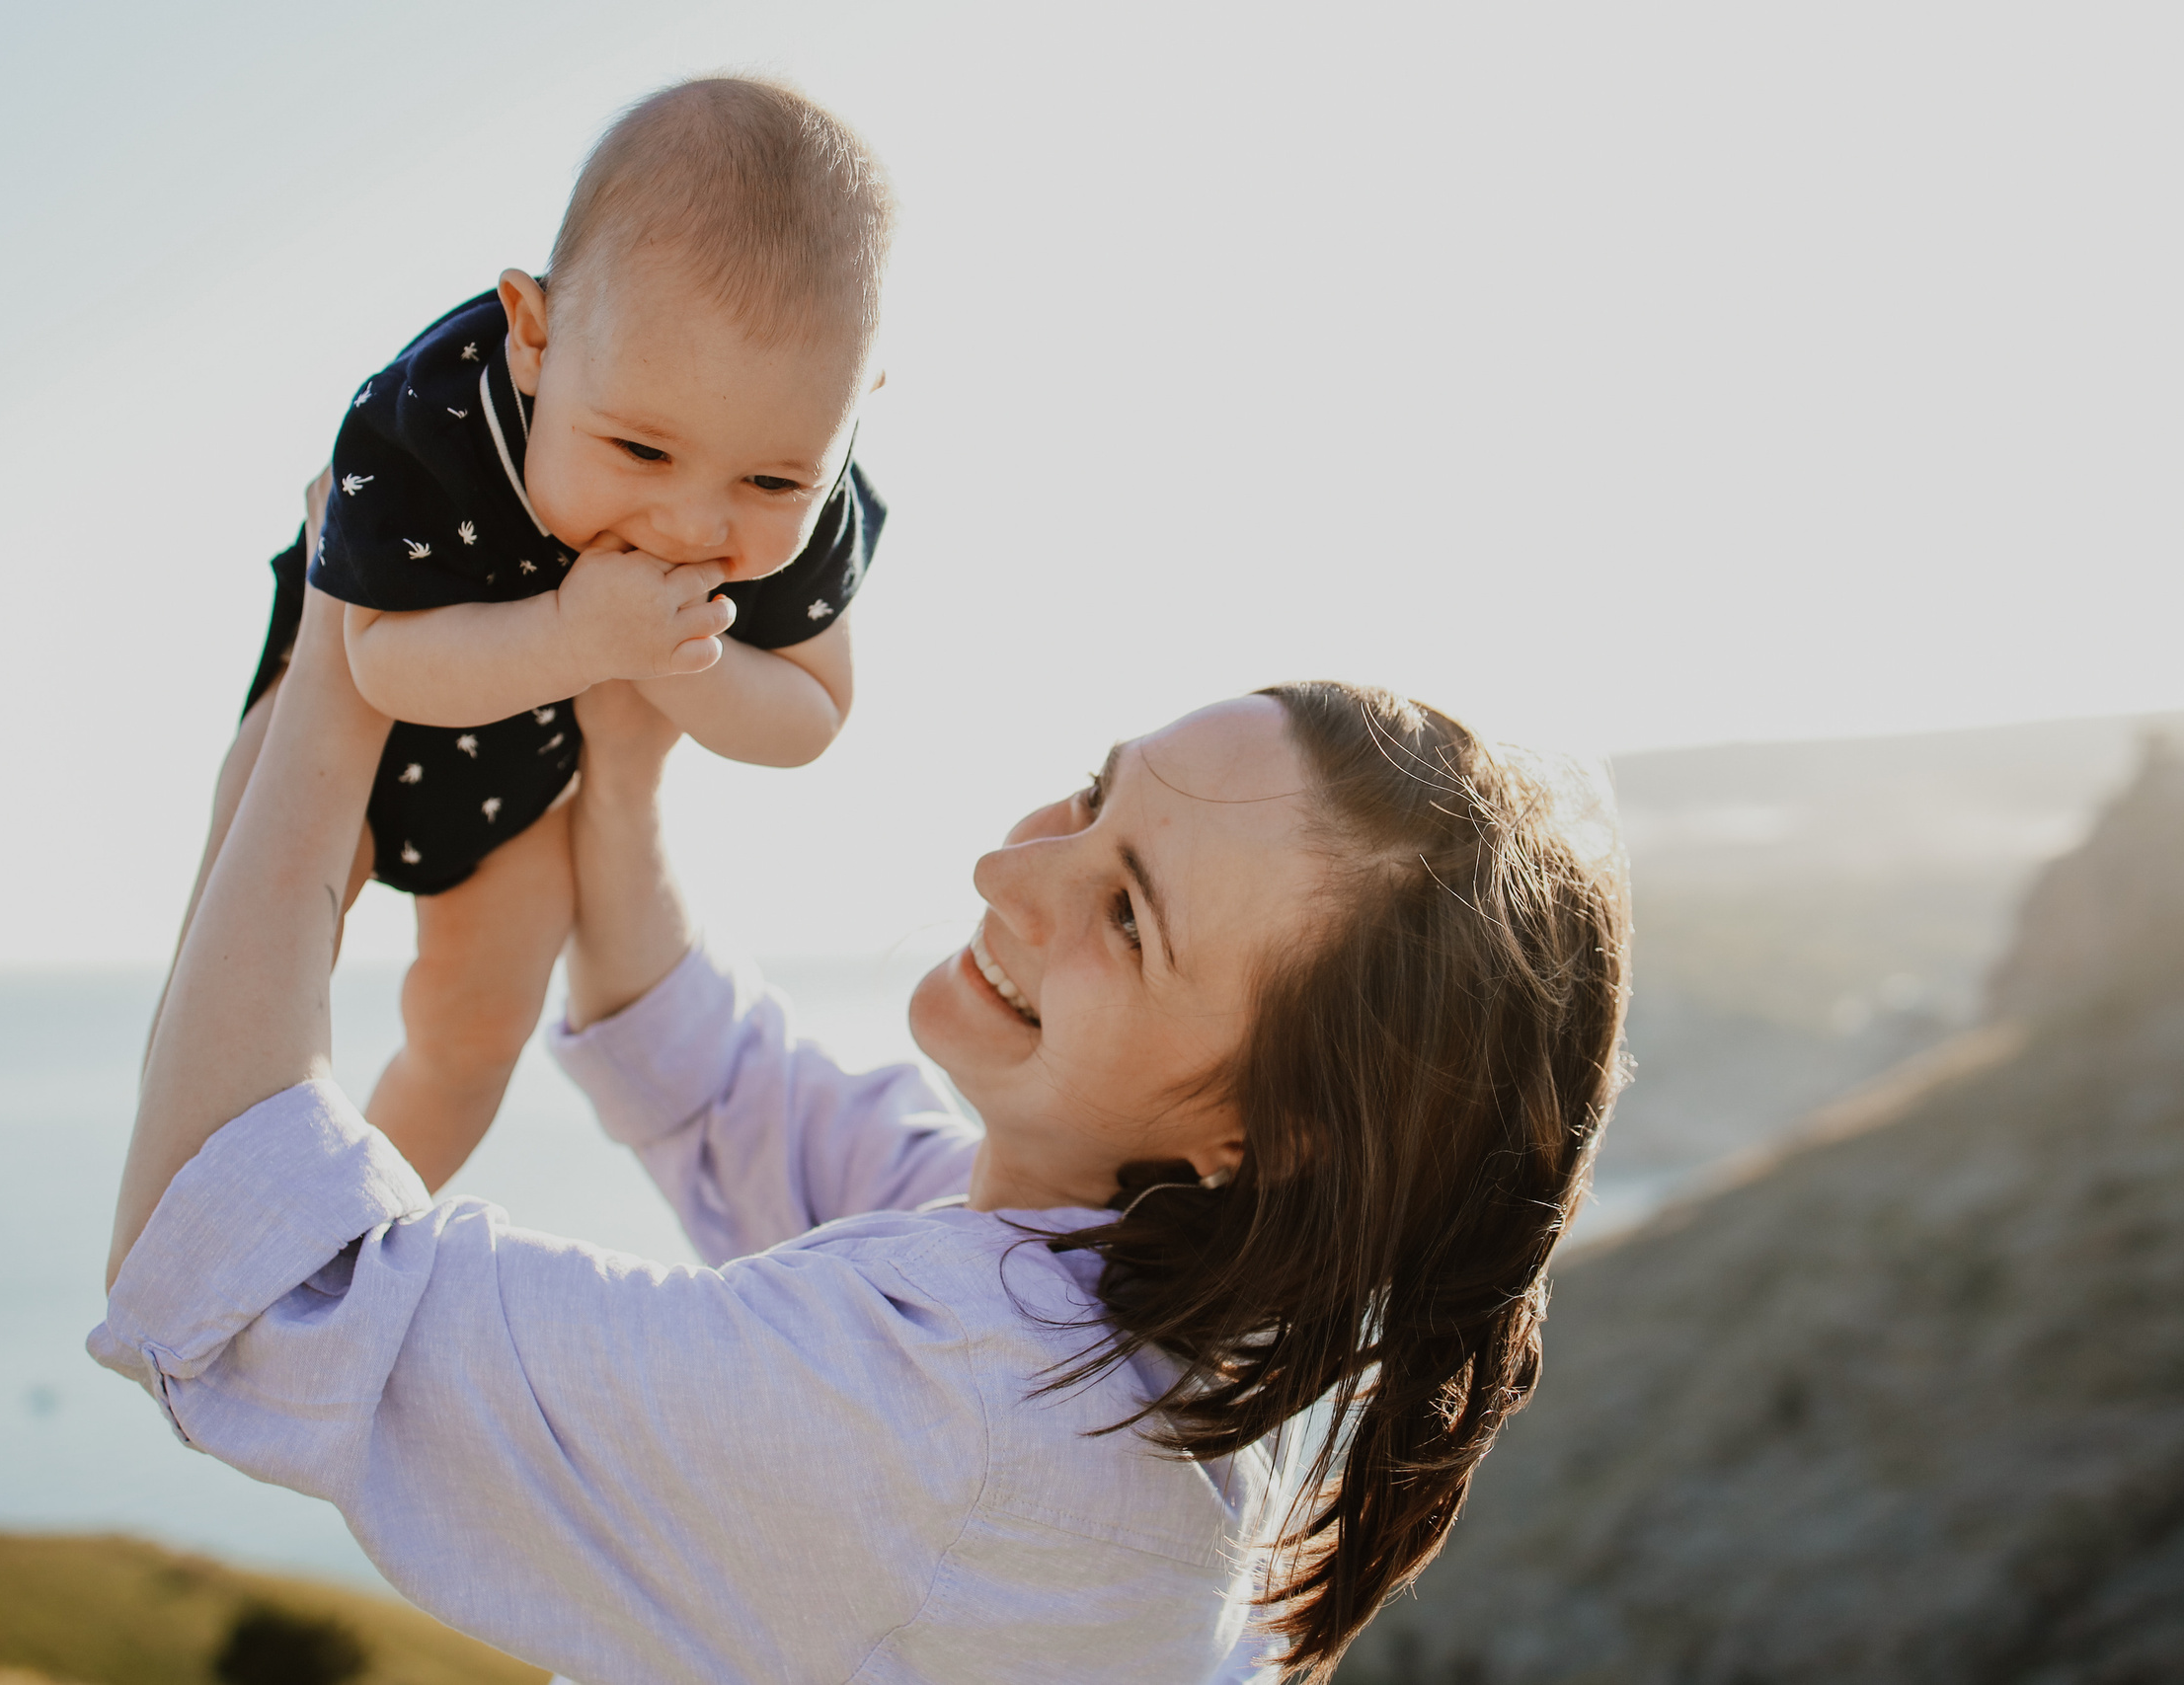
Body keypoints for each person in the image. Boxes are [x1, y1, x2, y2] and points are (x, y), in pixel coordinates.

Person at [98, 589, 1629, 1683]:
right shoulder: (1141, 1306)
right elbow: (710, 1077)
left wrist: (340, 661)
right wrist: (621, 742)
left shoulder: (952, 1414)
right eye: (1093, 797)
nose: (1006, 868)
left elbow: (249, 1274)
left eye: (1125, 913)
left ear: (1270, 1132)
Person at [150, 76, 892, 1188]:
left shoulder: (800, 488)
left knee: (474, 1040)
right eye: (640, 452)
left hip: (524, 777)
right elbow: (377, 661)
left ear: (848, 415)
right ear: (535, 338)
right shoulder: (431, 414)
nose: (694, 522)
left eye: (772, 476)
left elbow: (812, 714)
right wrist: (575, 636)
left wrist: (670, 660)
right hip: (367, 697)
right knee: (248, 948)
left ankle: (336, 1253)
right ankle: (192, 1193)